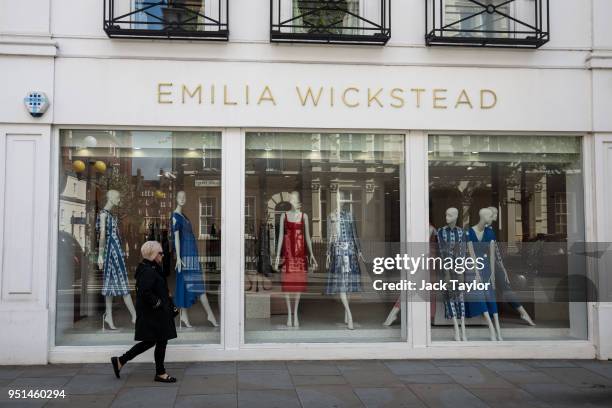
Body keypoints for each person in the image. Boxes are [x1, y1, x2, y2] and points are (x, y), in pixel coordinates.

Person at [111, 241, 178, 382]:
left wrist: (168, 303)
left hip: (156, 313)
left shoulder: (152, 267)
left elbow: (158, 289)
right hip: (154, 313)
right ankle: (160, 373)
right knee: (158, 341)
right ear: (153, 254)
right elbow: (145, 292)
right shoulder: (148, 270)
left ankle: (121, 360)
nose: (163, 255)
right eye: (160, 252)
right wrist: (159, 303)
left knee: (153, 341)